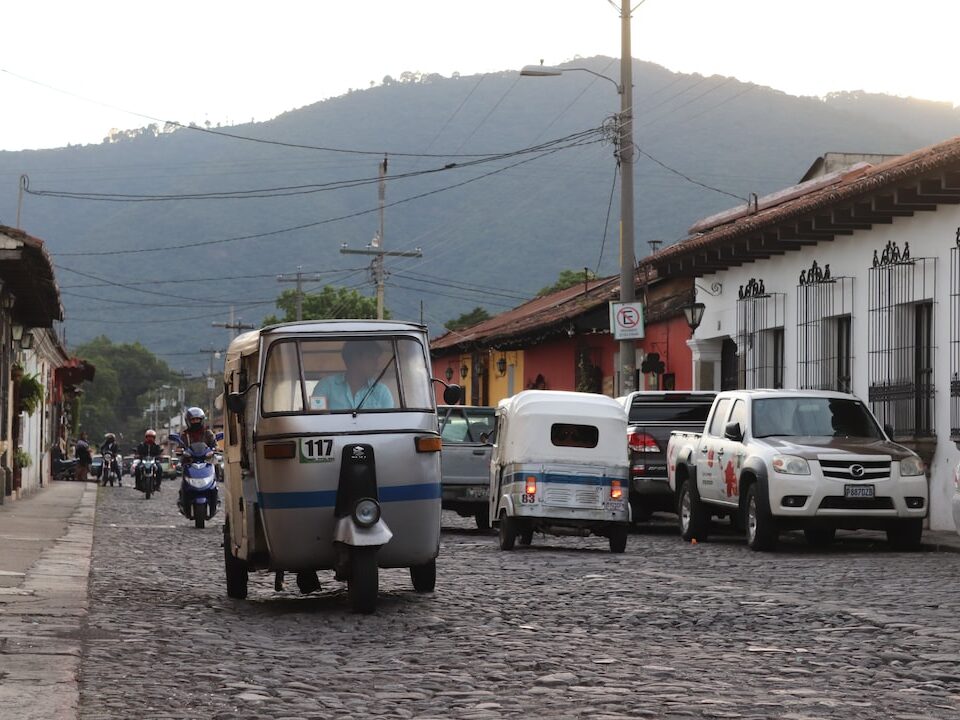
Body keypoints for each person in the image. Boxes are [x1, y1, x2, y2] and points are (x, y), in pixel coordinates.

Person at [310, 340, 394, 411]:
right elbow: (316, 418)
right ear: (355, 359)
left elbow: (390, 425)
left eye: (376, 359)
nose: (376, 364)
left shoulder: (382, 392)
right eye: (371, 358)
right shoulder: (325, 386)